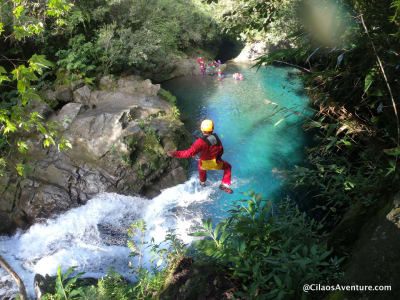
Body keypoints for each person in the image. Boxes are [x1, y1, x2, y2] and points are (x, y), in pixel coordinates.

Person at [167, 119, 233, 194]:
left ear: (202, 129)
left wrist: (174, 153)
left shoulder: (199, 142)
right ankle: (224, 184)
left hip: (204, 165)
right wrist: (218, 159)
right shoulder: (216, 139)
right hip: (216, 163)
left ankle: (202, 183)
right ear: (213, 128)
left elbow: (188, 153)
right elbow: (221, 150)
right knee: (228, 167)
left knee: (200, 166)